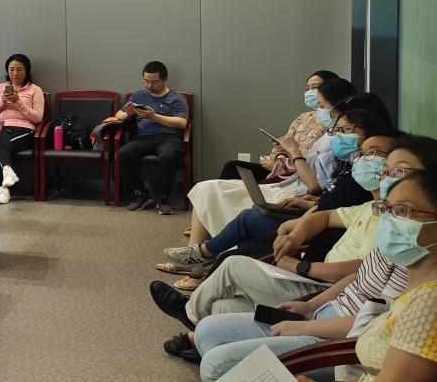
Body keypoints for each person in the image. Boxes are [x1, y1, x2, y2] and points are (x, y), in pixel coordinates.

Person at [171, 136, 437, 380]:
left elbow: (367, 330)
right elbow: (358, 276)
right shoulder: (396, 241)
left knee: (216, 360)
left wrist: (304, 291)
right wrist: (311, 307)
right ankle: (197, 315)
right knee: (212, 324)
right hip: (324, 309)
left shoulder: (424, 293)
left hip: (335, 335)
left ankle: (194, 301)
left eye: (400, 172)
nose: (389, 179)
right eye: (387, 173)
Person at [151, 128, 402, 333]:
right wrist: (296, 236)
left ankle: (190, 311)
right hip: (315, 281)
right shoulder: (369, 207)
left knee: (233, 264)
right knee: (223, 307)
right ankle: (198, 334)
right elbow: (325, 216)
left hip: (323, 289)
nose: (363, 159)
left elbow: (363, 268)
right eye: (361, 153)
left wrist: (301, 267)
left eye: (372, 153)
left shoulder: (399, 225)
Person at [159, 109, 395, 291]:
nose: (338, 134)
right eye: (337, 130)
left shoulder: (370, 192)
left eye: (346, 130)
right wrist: (306, 210)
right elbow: (328, 207)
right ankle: (201, 263)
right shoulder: (357, 177)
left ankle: (201, 257)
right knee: (236, 243)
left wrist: (297, 238)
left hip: (313, 249)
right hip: (305, 217)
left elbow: (323, 195)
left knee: (246, 221)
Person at [293, 170, 437, 382]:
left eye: (403, 211)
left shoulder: (429, 302)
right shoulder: (415, 291)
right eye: (385, 209)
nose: (388, 220)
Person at [184, 77, 358, 246]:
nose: (318, 109)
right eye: (308, 88)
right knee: (206, 188)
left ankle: (202, 251)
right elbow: (308, 161)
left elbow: (315, 185)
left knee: (218, 194)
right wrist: (287, 151)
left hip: (296, 189)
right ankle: (196, 251)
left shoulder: (341, 143)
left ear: (338, 105)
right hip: (290, 181)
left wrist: (294, 151)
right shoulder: (325, 130)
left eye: (322, 105)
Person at [217, 70, 341, 183]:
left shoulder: (335, 123)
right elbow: (285, 142)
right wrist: (280, 150)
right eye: (307, 88)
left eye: (315, 87)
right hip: (278, 165)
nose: (309, 92)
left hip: (295, 171)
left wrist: (281, 165)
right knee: (232, 167)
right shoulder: (304, 117)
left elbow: (313, 160)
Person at [117, 60, 190, 215]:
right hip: (144, 138)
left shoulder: (176, 98)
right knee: (124, 153)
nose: (149, 86)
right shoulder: (139, 95)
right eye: (146, 81)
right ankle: (142, 193)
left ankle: (163, 198)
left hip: (169, 138)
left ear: (164, 80)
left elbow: (182, 123)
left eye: (154, 82)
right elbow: (119, 115)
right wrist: (128, 113)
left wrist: (154, 116)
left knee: (168, 156)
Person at [0, 54, 45, 204]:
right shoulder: (0, 88)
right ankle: (7, 175)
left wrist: (18, 102)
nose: (15, 73)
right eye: (11, 70)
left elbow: (38, 118)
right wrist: (2, 101)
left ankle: (4, 186)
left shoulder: (35, 90)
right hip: (0, 127)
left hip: (23, 130)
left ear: (27, 71)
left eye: (19, 69)